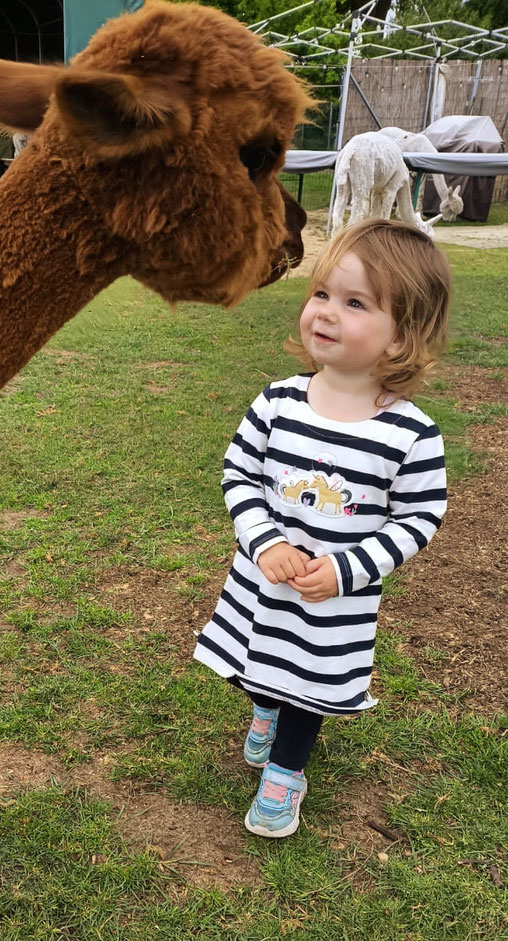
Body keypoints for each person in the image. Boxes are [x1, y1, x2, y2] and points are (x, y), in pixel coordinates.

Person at [194, 218, 452, 839]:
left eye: (355, 302)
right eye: (322, 294)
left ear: (402, 336)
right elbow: (238, 474)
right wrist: (264, 541)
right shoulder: (277, 402)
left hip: (331, 600)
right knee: (258, 659)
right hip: (263, 580)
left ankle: (287, 771)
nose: (326, 313)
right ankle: (263, 707)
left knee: (307, 681)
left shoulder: (410, 435)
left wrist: (345, 570)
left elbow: (420, 517)